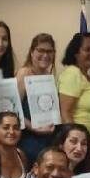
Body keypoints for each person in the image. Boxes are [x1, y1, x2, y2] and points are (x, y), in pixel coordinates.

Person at [16, 33, 58, 163]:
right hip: (28, 138)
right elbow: (13, 110)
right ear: (32, 52)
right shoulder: (24, 73)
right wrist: (33, 127)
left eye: (49, 51)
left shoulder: (49, 76)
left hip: (48, 138)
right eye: (41, 50)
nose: (45, 55)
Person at [58, 32, 90, 134]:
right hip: (79, 140)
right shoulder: (72, 73)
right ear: (76, 53)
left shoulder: (87, 77)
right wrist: (77, 138)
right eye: (87, 49)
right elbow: (65, 114)